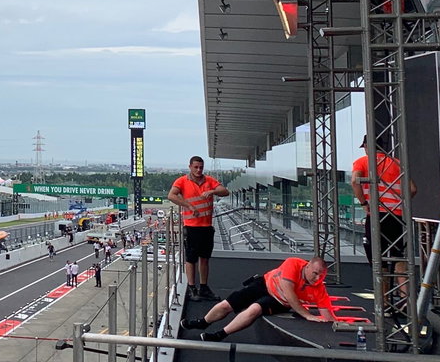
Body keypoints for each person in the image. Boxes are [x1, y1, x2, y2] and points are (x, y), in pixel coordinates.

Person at [182, 256, 331, 341]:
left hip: (279, 301)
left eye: (321, 276)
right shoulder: (293, 264)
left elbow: (328, 316)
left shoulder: (319, 288)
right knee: (227, 304)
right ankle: (203, 322)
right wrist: (307, 315)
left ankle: (220, 334)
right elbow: (289, 291)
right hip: (265, 284)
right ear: (307, 266)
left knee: (255, 309)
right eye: (315, 274)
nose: (317, 279)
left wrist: (338, 326)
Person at [353, 137, 416, 305]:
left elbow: (354, 181)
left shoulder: (363, 162)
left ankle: (384, 302)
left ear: (367, 146)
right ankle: (406, 301)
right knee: (397, 257)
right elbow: (412, 189)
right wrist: (397, 202)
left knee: (377, 260)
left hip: (376, 216)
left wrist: (364, 203)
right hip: (396, 216)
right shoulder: (397, 163)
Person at [170, 155, 228, 301]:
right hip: (191, 227)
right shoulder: (182, 181)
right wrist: (189, 206)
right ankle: (192, 288)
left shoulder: (209, 181)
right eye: (195, 167)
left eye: (201, 167)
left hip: (206, 226)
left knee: (205, 258)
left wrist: (212, 191)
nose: (198, 170)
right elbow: (171, 195)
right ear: (190, 167)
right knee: (191, 259)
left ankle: (203, 287)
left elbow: (225, 191)